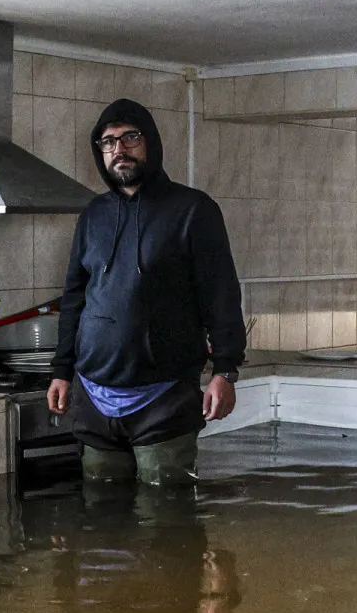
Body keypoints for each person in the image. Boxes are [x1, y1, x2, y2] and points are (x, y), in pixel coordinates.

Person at [47, 97, 246, 485]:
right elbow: (74, 298)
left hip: (165, 394)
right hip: (94, 392)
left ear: (150, 142)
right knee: (101, 517)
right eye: (108, 141)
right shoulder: (92, 216)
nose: (119, 149)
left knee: (167, 520)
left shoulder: (193, 210)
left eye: (129, 137)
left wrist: (226, 369)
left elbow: (221, 293)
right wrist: (61, 370)